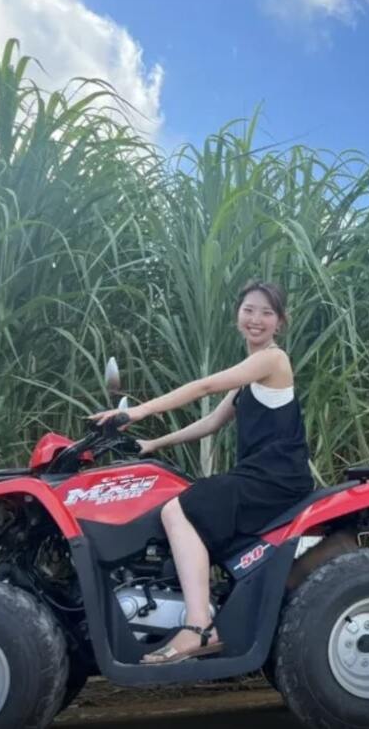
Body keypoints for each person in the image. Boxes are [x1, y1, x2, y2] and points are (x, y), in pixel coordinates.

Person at [90, 280, 314, 663]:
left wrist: (140, 411)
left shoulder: (273, 360)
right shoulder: (248, 380)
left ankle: (198, 626)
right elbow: (210, 422)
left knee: (177, 510)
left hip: (275, 478)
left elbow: (205, 386)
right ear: (237, 314)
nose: (256, 319)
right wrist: (152, 445)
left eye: (267, 312)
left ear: (280, 322)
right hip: (263, 475)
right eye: (249, 310)